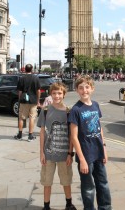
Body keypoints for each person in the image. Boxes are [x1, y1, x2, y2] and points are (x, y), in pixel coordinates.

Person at [68, 75, 112, 210]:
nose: (84, 90)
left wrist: (104, 148)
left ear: (92, 89)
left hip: (98, 152)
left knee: (103, 183)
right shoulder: (76, 110)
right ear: (76, 90)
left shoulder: (95, 105)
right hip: (86, 155)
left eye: (87, 87)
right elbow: (74, 137)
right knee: (88, 187)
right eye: (81, 88)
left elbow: (99, 129)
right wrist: (81, 159)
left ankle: (105, 207)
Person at [37, 82, 77, 210]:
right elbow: (42, 131)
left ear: (64, 94)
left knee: (66, 181)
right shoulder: (45, 110)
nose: (56, 96)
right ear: (51, 94)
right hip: (48, 154)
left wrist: (70, 153)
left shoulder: (68, 112)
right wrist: (41, 152)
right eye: (54, 93)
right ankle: (46, 206)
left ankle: (69, 204)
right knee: (46, 181)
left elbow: (71, 135)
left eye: (59, 93)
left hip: (64, 155)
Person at [14, 64, 40, 141]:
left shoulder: (21, 78)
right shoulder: (36, 78)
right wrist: (38, 100)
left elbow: (20, 91)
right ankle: (30, 136)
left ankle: (20, 135)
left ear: (25, 69)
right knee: (32, 118)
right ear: (32, 69)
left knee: (21, 118)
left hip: (24, 101)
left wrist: (19, 99)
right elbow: (38, 91)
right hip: (33, 100)